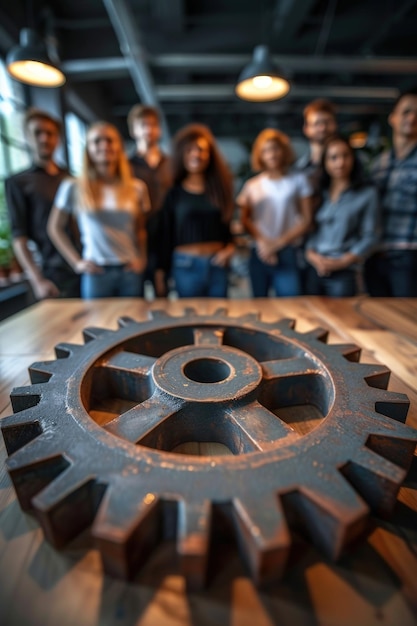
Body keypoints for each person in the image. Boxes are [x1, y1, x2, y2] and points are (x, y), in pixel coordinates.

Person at [47, 121, 150, 299]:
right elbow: (54, 228)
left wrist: (142, 258)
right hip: (96, 271)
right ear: (88, 149)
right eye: (97, 141)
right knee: (96, 324)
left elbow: (140, 230)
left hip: (129, 269)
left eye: (110, 140)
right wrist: (76, 262)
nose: (104, 146)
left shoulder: (137, 188)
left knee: (136, 323)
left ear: (119, 146)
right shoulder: (73, 186)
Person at [5, 108, 80, 300]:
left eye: (50, 133)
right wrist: (37, 280)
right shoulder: (18, 182)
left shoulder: (70, 179)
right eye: (38, 133)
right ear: (28, 137)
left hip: (80, 267)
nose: (44, 139)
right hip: (49, 272)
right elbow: (19, 237)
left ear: (58, 138)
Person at [155, 123, 235, 298]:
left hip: (217, 265)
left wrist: (229, 250)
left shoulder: (219, 190)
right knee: (190, 320)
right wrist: (161, 272)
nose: (195, 154)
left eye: (201, 150)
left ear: (210, 155)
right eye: (189, 150)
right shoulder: (173, 193)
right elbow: (165, 236)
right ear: (181, 153)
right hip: (185, 266)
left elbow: (227, 231)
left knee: (219, 320)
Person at [236, 128, 313, 297]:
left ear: (284, 150)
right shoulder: (252, 185)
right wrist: (264, 243)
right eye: (265, 150)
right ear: (259, 155)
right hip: (260, 251)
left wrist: (277, 244)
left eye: (275, 148)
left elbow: (307, 220)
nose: (271, 154)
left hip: (288, 250)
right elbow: (244, 219)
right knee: (260, 305)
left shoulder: (299, 180)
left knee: (290, 302)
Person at [305, 135, 380, 297]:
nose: (340, 162)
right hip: (315, 268)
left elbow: (371, 235)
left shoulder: (367, 193)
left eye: (345, 156)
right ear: (325, 163)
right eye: (333, 158)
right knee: (310, 319)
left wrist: (343, 261)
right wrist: (312, 255)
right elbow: (311, 230)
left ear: (353, 159)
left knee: (342, 320)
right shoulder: (319, 193)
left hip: (344, 271)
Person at [364, 87, 417, 297]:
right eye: (406, 111)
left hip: (409, 255)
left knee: (406, 322)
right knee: (376, 318)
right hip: (376, 254)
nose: (412, 117)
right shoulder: (379, 163)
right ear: (392, 118)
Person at [127, 105, 172, 295]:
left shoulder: (170, 163)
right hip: (138, 233)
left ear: (159, 129)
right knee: (136, 290)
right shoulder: (126, 165)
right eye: (143, 125)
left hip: (167, 234)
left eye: (153, 125)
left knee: (164, 290)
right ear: (133, 130)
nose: (148, 130)